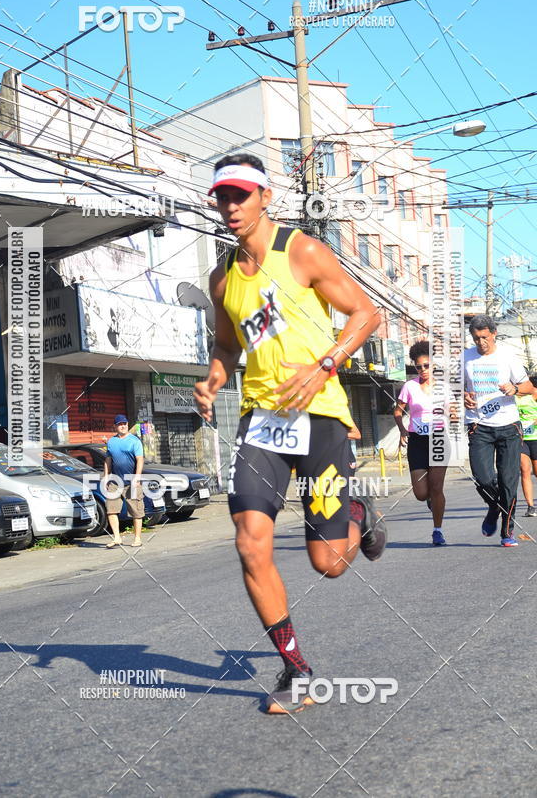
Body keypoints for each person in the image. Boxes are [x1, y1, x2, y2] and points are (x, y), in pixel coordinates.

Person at [194, 153, 386, 715]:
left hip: (320, 412)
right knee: (250, 541)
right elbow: (228, 346)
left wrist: (325, 364)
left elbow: (365, 314)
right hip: (262, 420)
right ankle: (295, 670)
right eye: (222, 197)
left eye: (241, 195)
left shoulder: (300, 250)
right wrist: (211, 382)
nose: (230, 207)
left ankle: (358, 516)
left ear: (265, 197)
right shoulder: (222, 276)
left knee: (328, 563)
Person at [464, 315, 532, 547]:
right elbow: (454, 389)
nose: (481, 342)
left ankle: (507, 531)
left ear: (493, 334)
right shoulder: (465, 358)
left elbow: (528, 387)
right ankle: (494, 505)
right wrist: (463, 396)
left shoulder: (508, 357)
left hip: (508, 426)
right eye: (476, 338)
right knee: (482, 477)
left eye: (484, 337)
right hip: (479, 425)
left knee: (508, 481)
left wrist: (515, 388)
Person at [394, 340, 448, 546]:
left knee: (436, 488)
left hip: (439, 439)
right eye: (419, 367)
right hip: (417, 440)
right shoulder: (409, 386)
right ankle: (429, 501)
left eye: (427, 365)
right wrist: (402, 430)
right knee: (421, 493)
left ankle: (437, 530)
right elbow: (398, 411)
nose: (423, 370)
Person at [102, 414, 145, 548]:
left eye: (125, 423)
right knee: (111, 510)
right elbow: (108, 460)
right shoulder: (111, 442)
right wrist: (106, 477)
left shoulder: (134, 441)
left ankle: (137, 538)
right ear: (115, 426)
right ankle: (117, 538)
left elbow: (140, 460)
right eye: (120, 424)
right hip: (115, 481)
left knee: (136, 510)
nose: (123, 426)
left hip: (131, 480)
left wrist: (137, 477)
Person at [517, 375, 537, 517]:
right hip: (520, 439)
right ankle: (530, 506)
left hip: (535, 437)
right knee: (525, 470)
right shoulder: (512, 396)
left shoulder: (534, 392)